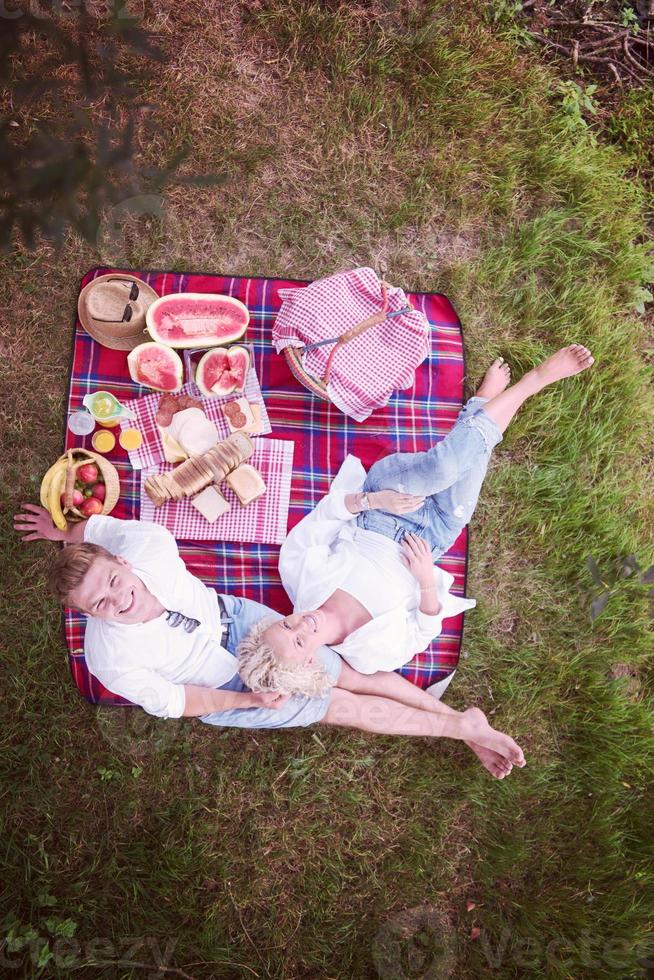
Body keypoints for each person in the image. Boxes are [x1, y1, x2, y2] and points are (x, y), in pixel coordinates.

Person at [236, 345, 595, 762]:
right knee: (465, 483)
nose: (301, 620)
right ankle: (480, 406)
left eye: (286, 622)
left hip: (385, 504)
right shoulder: (370, 654)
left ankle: (535, 380)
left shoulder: (299, 575)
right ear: (312, 661)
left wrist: (376, 502)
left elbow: (329, 515)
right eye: (300, 639)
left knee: (442, 470)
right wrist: (426, 582)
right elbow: (424, 630)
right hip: (437, 535)